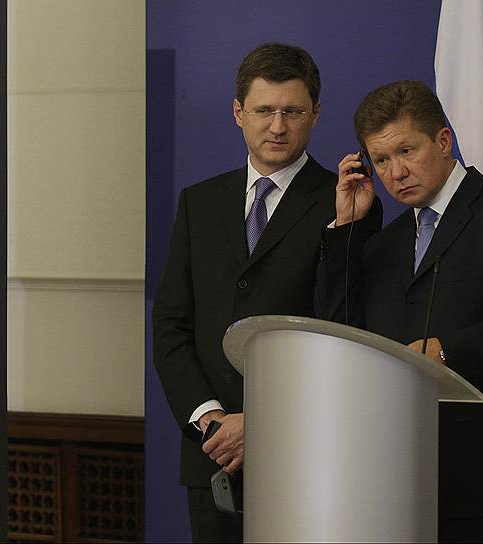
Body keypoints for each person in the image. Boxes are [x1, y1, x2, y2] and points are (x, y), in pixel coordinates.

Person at [153, 43, 381, 543]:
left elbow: (346, 333)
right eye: (264, 111)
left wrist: (260, 424)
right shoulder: (199, 202)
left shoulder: (347, 202)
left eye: (292, 112)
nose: (277, 127)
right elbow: (172, 326)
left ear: (315, 113)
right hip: (212, 456)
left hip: (305, 455)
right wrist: (212, 422)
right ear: (239, 112)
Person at [318, 79, 483, 542]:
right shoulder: (381, 244)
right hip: (396, 484)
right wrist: (348, 227)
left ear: (443, 141)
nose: (396, 172)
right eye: (381, 160)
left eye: (407, 151)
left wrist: (449, 351)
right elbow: (343, 336)